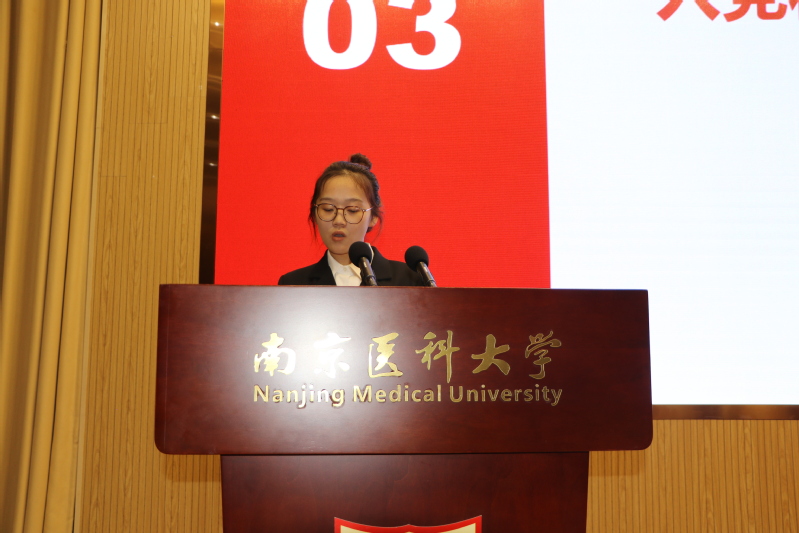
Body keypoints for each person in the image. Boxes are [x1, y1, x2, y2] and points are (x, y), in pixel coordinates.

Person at [278, 154, 423, 286]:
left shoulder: (410, 280)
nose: (338, 220)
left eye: (352, 210)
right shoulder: (294, 284)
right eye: (328, 209)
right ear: (314, 213)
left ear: (373, 217)